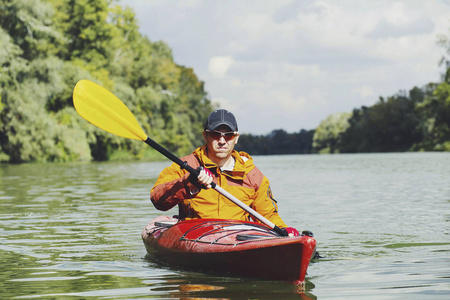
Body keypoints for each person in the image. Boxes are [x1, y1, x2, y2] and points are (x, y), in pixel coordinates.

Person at [150, 109, 299, 237]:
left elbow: (267, 215)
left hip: (236, 238)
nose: (222, 141)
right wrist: (188, 183)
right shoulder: (184, 166)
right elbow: (158, 200)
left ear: (236, 138)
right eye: (216, 134)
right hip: (194, 235)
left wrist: (285, 231)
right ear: (205, 136)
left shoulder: (253, 175)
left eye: (228, 135)